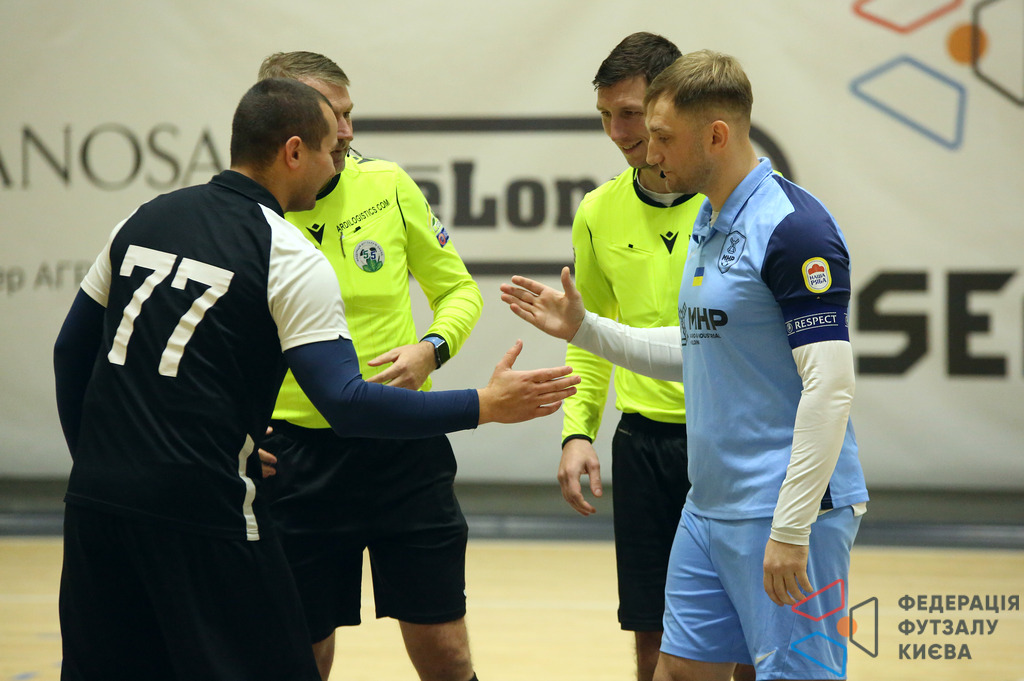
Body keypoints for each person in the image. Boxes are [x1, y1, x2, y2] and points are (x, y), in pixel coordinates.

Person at [52, 77, 579, 681]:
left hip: (97, 500)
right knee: (280, 661)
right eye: (332, 145)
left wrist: (93, 460)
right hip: (219, 496)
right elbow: (347, 404)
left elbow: (71, 351)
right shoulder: (286, 250)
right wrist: (483, 404)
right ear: (294, 150)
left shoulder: (144, 217)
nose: (342, 155)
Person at [500, 50, 868, 681]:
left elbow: (830, 389)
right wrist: (585, 330)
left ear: (716, 136)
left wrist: (791, 527)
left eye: (663, 137)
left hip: (781, 510)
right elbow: (701, 348)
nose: (648, 152)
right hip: (709, 505)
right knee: (676, 672)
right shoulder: (707, 216)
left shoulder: (795, 230)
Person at [255, 51, 484, 681]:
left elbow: (459, 291)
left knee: (446, 652)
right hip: (295, 458)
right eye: (332, 116)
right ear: (287, 128)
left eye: (350, 113)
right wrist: (235, 429)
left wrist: (430, 349)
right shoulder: (252, 215)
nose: (347, 131)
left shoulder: (387, 185)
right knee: (303, 655)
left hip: (404, 447)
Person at [558, 32, 699, 681]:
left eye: (632, 114)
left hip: (727, 442)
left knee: (744, 637)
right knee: (652, 638)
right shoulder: (597, 211)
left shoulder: (740, 204)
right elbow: (589, 336)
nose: (617, 132)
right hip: (642, 448)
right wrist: (578, 432)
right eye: (605, 115)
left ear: (672, 105)